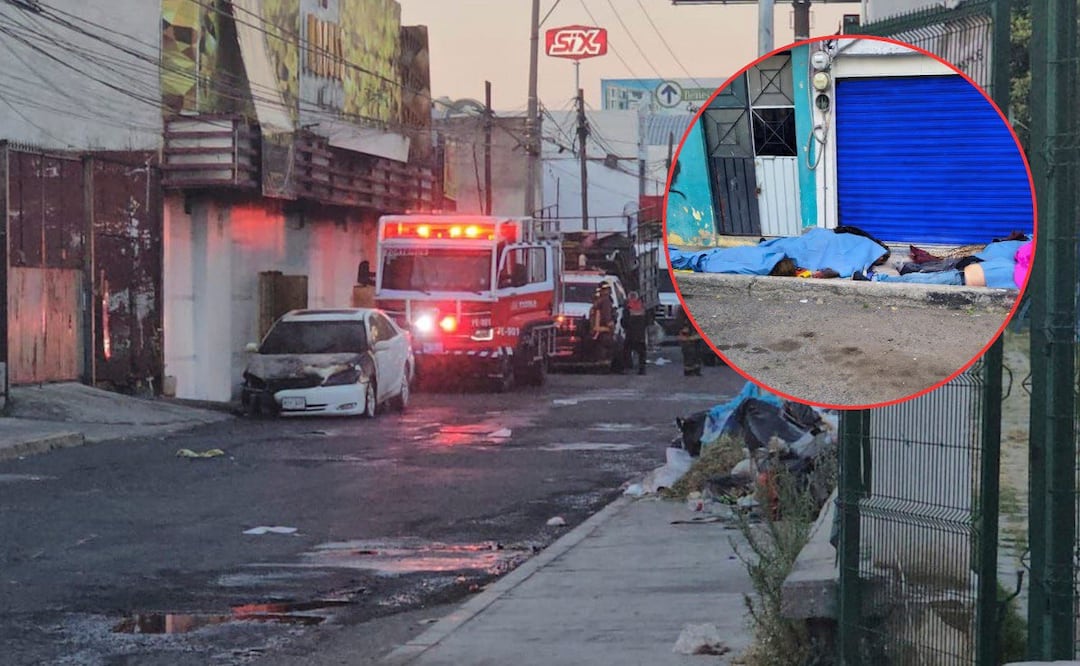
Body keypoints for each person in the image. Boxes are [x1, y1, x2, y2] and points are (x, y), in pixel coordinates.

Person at [621, 291, 648, 375]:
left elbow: (624, 322)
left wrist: (625, 327)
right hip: (640, 335)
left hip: (630, 334)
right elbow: (647, 320)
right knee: (642, 353)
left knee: (626, 351)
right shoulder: (642, 307)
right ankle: (642, 370)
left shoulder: (627, 308)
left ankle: (626, 368)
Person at [675, 306, 703, 377]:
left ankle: (695, 370)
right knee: (689, 353)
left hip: (694, 335)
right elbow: (680, 321)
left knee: (696, 353)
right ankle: (689, 371)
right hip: (687, 336)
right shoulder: (682, 308)